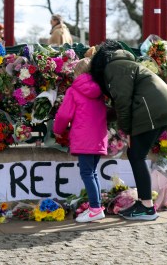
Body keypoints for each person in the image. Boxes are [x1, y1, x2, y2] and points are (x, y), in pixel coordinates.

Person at [90, 39, 167, 221]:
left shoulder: (113, 68)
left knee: (136, 155)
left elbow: (123, 101)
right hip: (162, 107)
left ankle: (147, 207)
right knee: (135, 154)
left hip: (151, 109)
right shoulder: (125, 64)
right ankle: (144, 203)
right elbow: (121, 104)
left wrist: (127, 130)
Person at [53, 57, 108, 223]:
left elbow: (64, 114)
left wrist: (57, 130)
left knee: (87, 173)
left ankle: (95, 209)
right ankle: (97, 207)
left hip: (83, 139)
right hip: (98, 138)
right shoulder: (100, 90)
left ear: (77, 73)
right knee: (92, 173)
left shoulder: (74, 90)